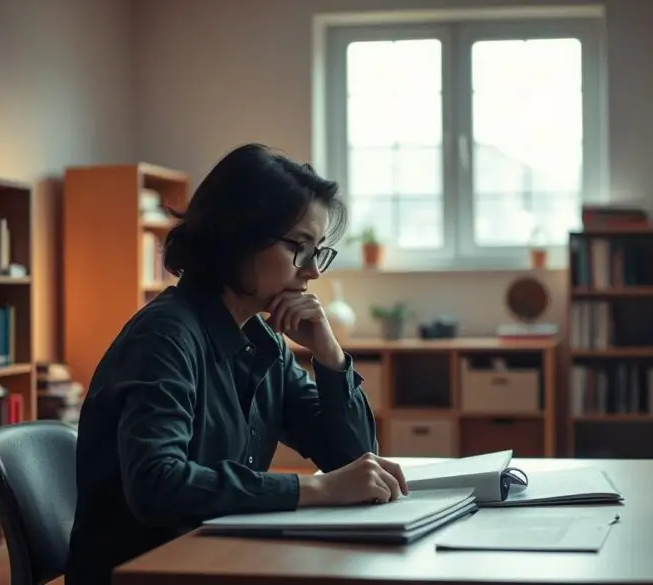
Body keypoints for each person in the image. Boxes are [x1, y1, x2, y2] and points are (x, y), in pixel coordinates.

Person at [65, 144, 408, 585]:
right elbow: (156, 484)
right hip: (146, 574)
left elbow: (352, 459)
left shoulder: (262, 341)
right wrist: (317, 488)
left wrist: (330, 356)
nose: (312, 272)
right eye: (299, 248)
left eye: (318, 251)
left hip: (215, 560)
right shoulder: (165, 337)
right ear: (238, 237)